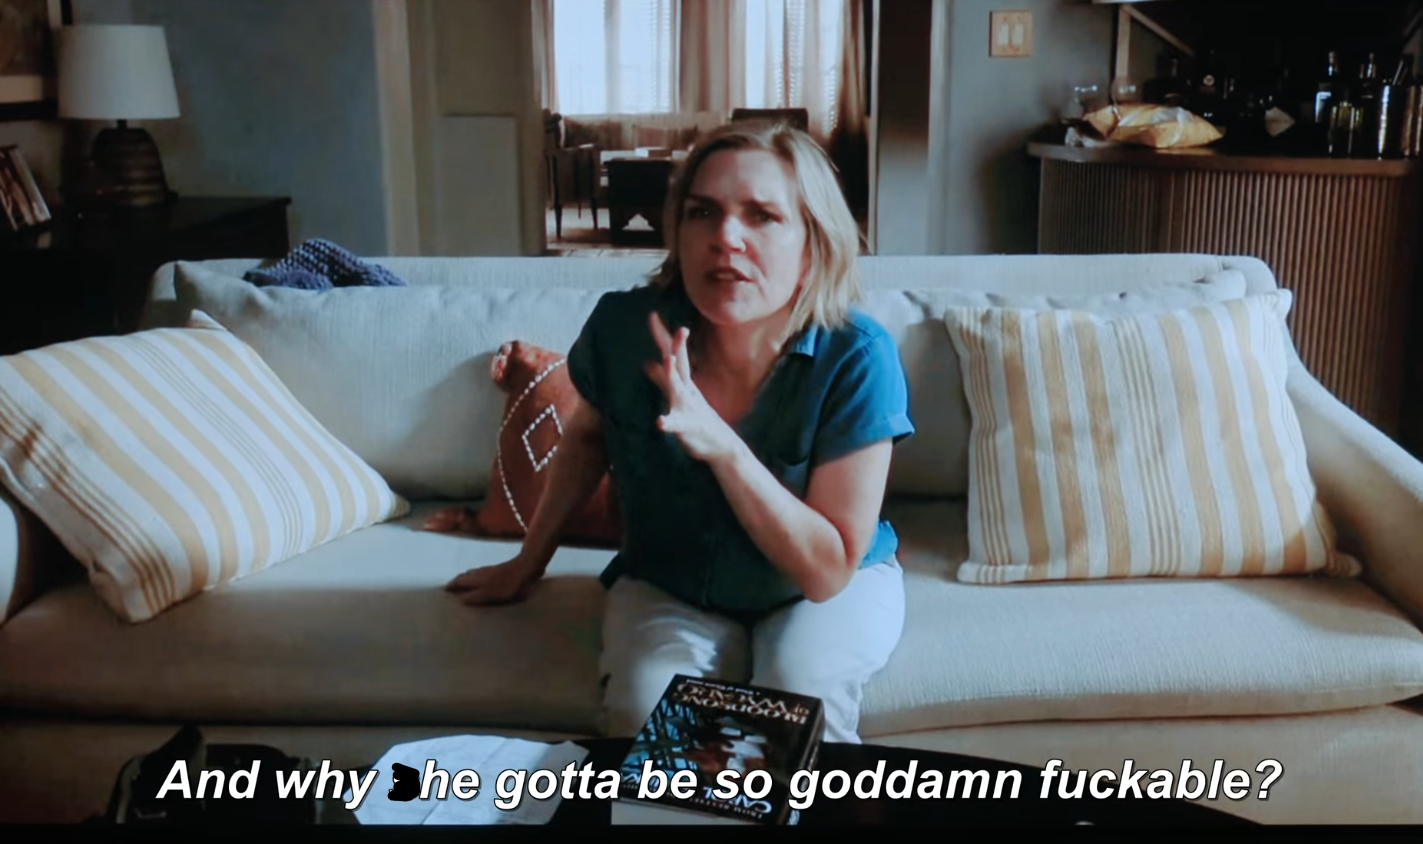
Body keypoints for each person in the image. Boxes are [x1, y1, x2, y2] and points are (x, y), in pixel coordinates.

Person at [437, 120, 914, 744]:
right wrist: (529, 561)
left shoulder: (858, 357)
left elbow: (826, 573)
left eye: (762, 216)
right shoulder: (625, 329)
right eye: (703, 212)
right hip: (672, 582)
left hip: (821, 592)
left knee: (798, 698)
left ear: (812, 247)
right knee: (648, 716)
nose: (725, 237)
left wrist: (724, 449)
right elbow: (588, 439)